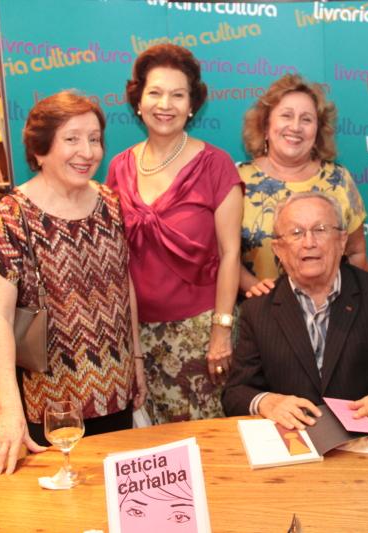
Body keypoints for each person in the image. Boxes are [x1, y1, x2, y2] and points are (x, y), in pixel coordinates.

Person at [0, 91, 147, 475]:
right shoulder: (12, 214)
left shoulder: (110, 203)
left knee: (115, 487)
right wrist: (9, 409)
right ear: (40, 149)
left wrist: (136, 359)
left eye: (94, 139)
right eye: (72, 139)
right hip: (52, 403)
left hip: (116, 389)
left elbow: (124, 287)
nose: (87, 152)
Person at [106, 44, 243, 424]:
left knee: (210, 443)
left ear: (192, 104)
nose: (165, 104)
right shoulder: (118, 167)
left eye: (178, 95)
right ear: (138, 100)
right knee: (150, 446)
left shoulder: (216, 164)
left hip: (199, 334)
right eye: (155, 92)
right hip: (135, 335)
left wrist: (221, 331)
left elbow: (231, 254)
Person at [223, 192, 368, 437]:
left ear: (342, 241)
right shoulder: (257, 309)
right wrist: (266, 402)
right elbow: (236, 392)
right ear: (278, 249)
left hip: (365, 439)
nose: (309, 242)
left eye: (320, 229)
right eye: (296, 232)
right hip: (292, 442)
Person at [239, 74, 368, 298]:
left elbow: (357, 253)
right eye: (286, 115)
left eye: (306, 119)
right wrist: (253, 289)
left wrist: (352, 304)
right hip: (258, 310)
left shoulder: (339, 179)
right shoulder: (237, 180)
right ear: (266, 125)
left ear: (317, 131)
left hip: (332, 313)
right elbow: (223, 254)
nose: (296, 127)